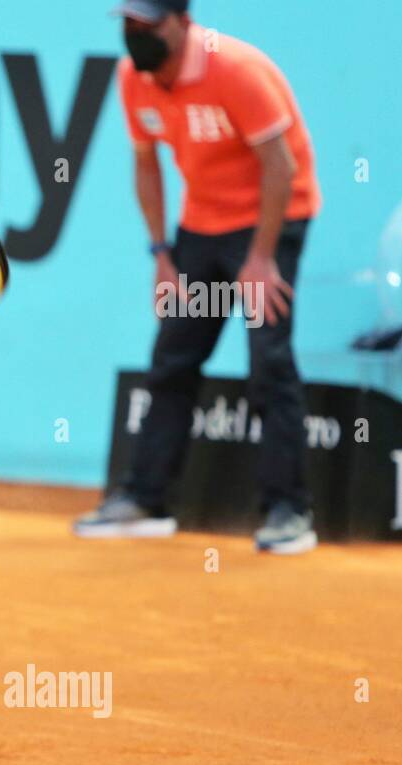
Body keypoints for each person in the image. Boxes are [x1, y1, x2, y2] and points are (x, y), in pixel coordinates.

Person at [74, 0, 322, 554]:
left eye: (148, 24)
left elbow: (281, 167)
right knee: (174, 358)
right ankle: (146, 500)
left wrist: (261, 259)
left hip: (271, 222)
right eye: (129, 24)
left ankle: (289, 510)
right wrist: (162, 253)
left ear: (183, 23)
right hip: (201, 228)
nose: (136, 34)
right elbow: (146, 164)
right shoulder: (132, 77)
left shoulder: (237, 69)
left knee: (269, 362)